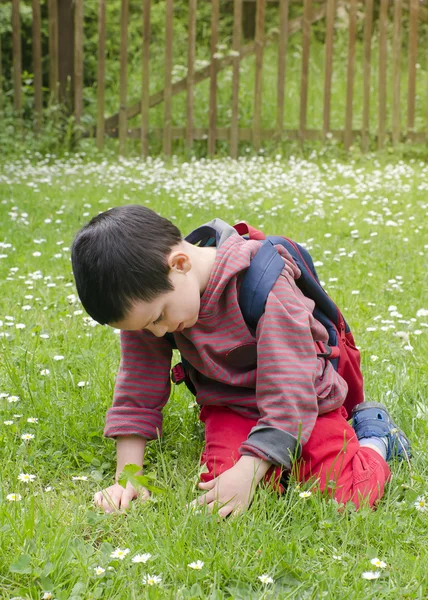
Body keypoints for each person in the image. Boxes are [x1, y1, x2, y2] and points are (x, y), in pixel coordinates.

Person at [71, 205, 411, 517]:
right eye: (146, 326)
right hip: (231, 406)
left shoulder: (265, 284)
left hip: (306, 401)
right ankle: (266, 462)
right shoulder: (149, 301)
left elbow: (290, 390)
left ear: (180, 264)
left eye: (159, 318)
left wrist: (250, 468)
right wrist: (128, 478)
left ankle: (375, 436)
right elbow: (138, 388)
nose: (157, 333)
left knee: (348, 497)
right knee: (223, 497)